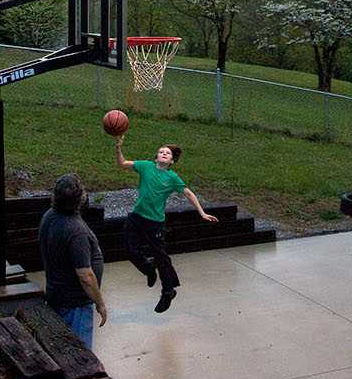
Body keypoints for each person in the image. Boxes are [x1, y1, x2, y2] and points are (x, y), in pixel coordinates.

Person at [114, 136, 217, 313]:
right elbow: (122, 163)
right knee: (131, 252)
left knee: (161, 257)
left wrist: (202, 212)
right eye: (161, 152)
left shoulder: (172, 178)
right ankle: (148, 267)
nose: (163, 153)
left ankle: (168, 291)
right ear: (156, 158)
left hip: (155, 222)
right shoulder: (145, 166)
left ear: (172, 161)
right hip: (137, 217)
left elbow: (189, 194)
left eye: (167, 153)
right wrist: (118, 147)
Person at [37, 173, 107, 347]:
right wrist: (100, 303)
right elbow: (85, 275)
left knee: (63, 351)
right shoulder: (76, 230)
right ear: (80, 199)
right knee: (81, 357)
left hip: (58, 296)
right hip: (75, 305)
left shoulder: (49, 216)